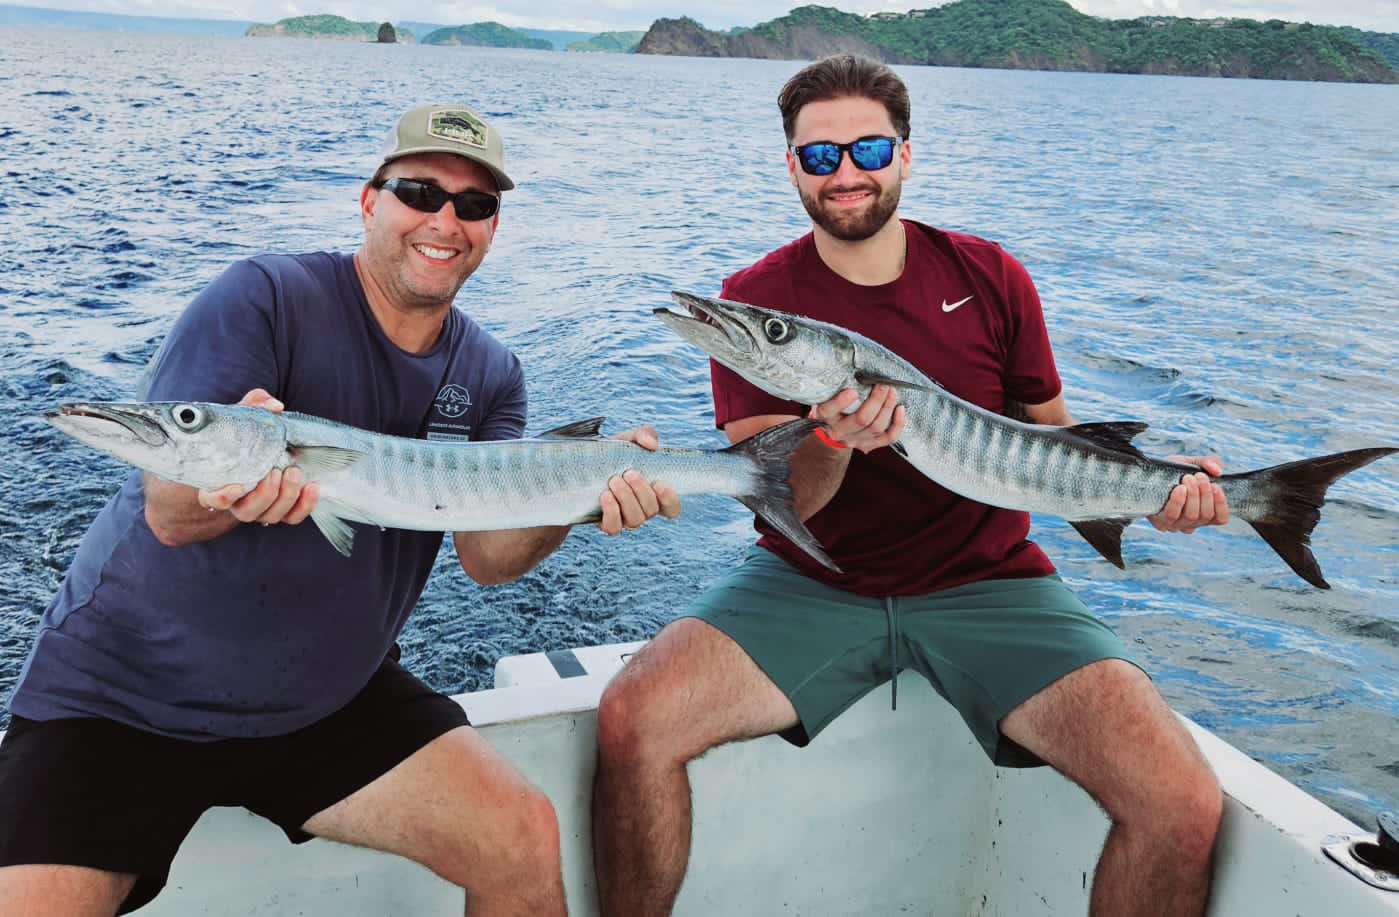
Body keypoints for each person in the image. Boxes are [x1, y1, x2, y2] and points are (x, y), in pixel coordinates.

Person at [0, 102, 679, 916]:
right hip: (126, 697)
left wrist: (578, 504)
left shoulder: (491, 372)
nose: (444, 221)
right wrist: (238, 486)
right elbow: (172, 513)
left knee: (522, 837)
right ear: (368, 201)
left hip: (327, 697)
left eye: (473, 204)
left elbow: (488, 559)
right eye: (419, 192)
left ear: (492, 227)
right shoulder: (263, 295)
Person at [592, 55, 1227, 916]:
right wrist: (830, 439)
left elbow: (1055, 436)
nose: (844, 172)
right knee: (633, 720)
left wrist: (1159, 493)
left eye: (867, 149)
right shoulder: (756, 298)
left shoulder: (988, 275)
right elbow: (782, 501)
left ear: (904, 154)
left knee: (1180, 801)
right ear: (790, 166)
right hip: (813, 578)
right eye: (819, 155)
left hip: (990, 580)